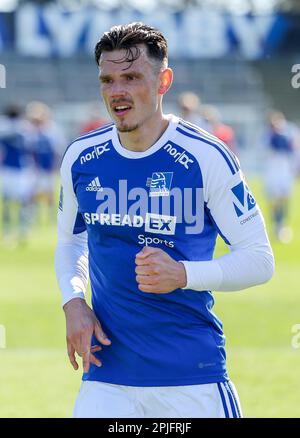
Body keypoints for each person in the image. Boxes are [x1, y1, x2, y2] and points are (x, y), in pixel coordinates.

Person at [55, 22, 274, 418]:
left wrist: (184, 274)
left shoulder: (207, 157)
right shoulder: (81, 158)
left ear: (163, 80)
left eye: (132, 77)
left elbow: (260, 260)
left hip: (192, 376)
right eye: (108, 79)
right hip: (106, 376)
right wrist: (73, 301)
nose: (117, 91)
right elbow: (71, 241)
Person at [0, 104, 35, 244]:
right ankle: (23, 231)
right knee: (23, 203)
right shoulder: (25, 128)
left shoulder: (4, 127)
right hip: (22, 170)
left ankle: (8, 231)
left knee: (7, 202)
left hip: (8, 170)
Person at [263, 111, 299, 243]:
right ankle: (276, 224)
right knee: (274, 200)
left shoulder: (289, 133)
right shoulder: (268, 136)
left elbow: (294, 150)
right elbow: (267, 149)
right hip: (273, 172)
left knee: (284, 199)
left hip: (285, 171)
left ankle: (282, 224)